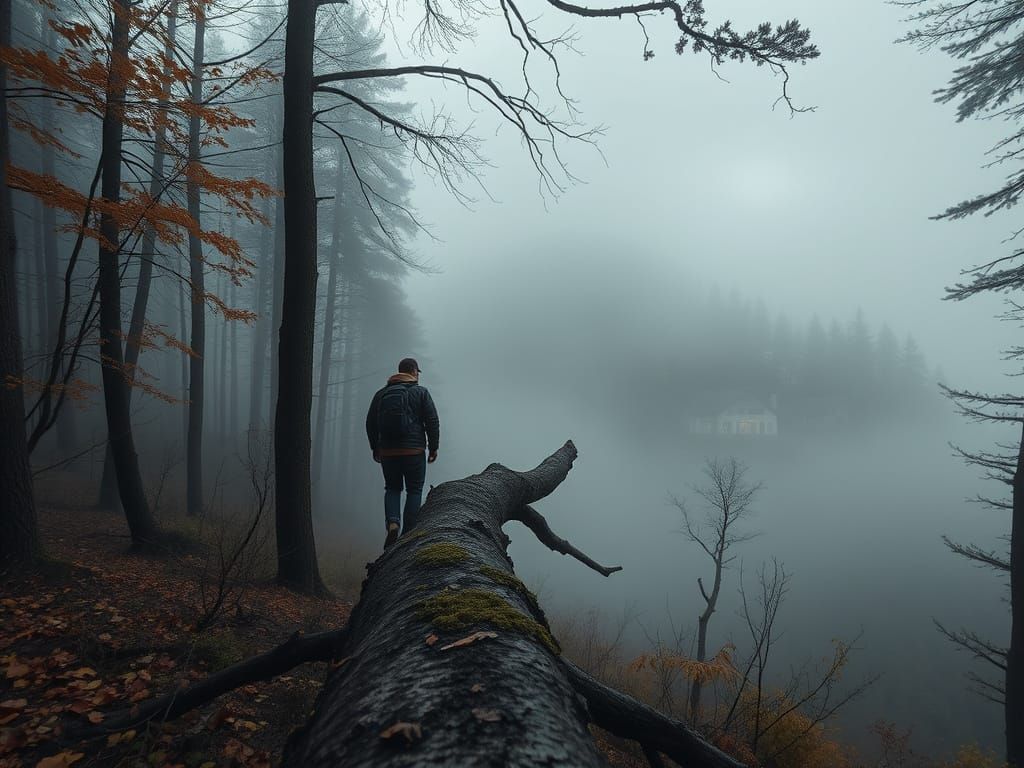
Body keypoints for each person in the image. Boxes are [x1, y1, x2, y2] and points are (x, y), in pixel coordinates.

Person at [365, 358, 439, 548]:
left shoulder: (381, 394)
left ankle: (392, 522)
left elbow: (370, 423)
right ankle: (407, 537)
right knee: (414, 490)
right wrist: (434, 448)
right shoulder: (421, 392)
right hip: (414, 451)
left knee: (392, 488)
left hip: (388, 452)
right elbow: (432, 421)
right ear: (414, 371)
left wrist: (376, 447)